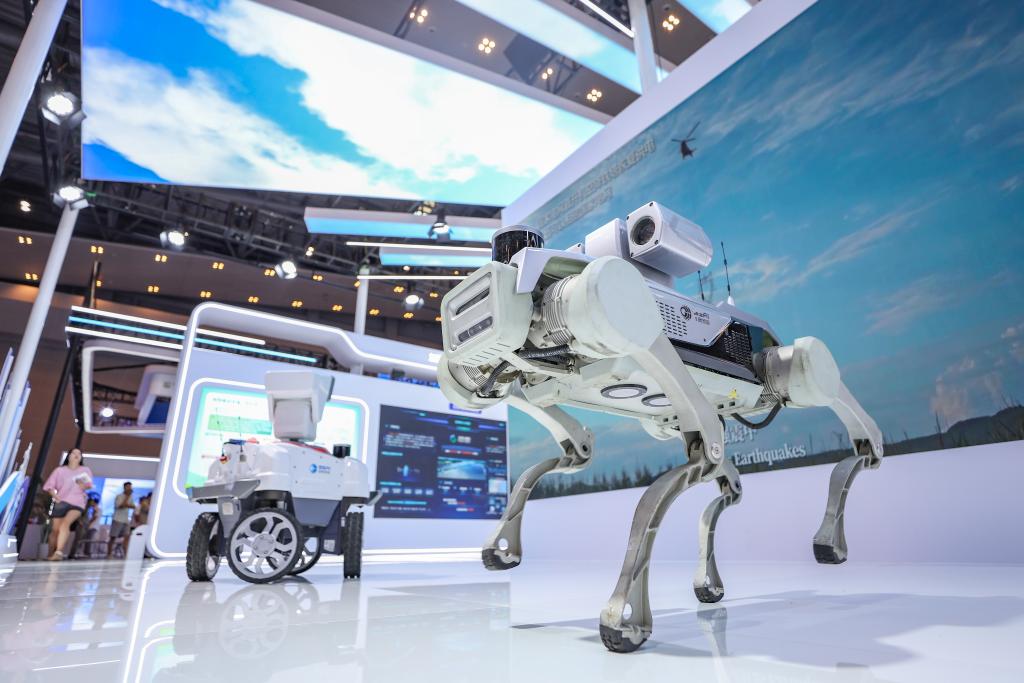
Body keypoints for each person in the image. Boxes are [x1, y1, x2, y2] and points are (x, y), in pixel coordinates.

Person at [41, 448, 93, 561]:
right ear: (69, 456)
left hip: (77, 503)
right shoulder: (59, 471)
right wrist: (55, 497)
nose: (77, 455)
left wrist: (83, 485)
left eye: (79, 453)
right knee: (55, 530)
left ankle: (59, 552)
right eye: (74, 453)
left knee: (65, 523)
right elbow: (49, 486)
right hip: (61, 502)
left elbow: (88, 485)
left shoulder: (85, 470)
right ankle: (51, 554)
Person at [107, 482, 135, 559]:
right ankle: (109, 554)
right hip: (117, 519)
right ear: (124, 487)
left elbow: (133, 506)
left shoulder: (131, 497)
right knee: (113, 538)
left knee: (127, 537)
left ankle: (126, 555)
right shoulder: (119, 496)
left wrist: (126, 504)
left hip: (126, 520)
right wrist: (127, 498)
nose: (130, 488)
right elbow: (120, 506)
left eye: (130, 487)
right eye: (128, 487)